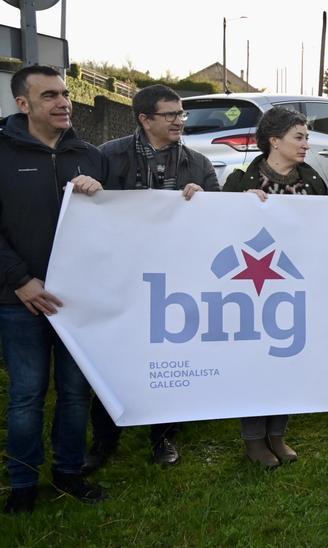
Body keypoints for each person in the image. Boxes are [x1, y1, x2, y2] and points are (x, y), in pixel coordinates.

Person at [86, 84, 220, 471]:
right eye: (171, 115)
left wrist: (205, 200)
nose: (180, 121)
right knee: (113, 357)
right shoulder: (108, 156)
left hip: (174, 280)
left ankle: (163, 438)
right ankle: (105, 439)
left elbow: (218, 218)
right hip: (121, 277)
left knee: (167, 358)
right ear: (144, 119)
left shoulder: (198, 163)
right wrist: (88, 188)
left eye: (181, 114)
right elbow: (86, 212)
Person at [0, 65, 109, 514]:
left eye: (65, 93)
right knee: (26, 395)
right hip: (17, 301)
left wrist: (100, 194)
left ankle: (69, 472)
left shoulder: (89, 154)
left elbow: (117, 223)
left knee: (75, 393)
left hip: (76, 302)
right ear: (22, 104)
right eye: (49, 96)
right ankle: (22, 483)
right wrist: (21, 280)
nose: (63, 102)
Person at [222, 106, 326, 467]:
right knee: (255, 362)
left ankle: (277, 435)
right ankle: (253, 439)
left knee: (287, 361)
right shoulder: (239, 182)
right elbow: (222, 233)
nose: (306, 145)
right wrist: (240, 207)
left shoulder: (313, 181)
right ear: (274, 140)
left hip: (297, 287)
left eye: (307, 137)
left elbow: (326, 227)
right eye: (299, 137)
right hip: (253, 291)